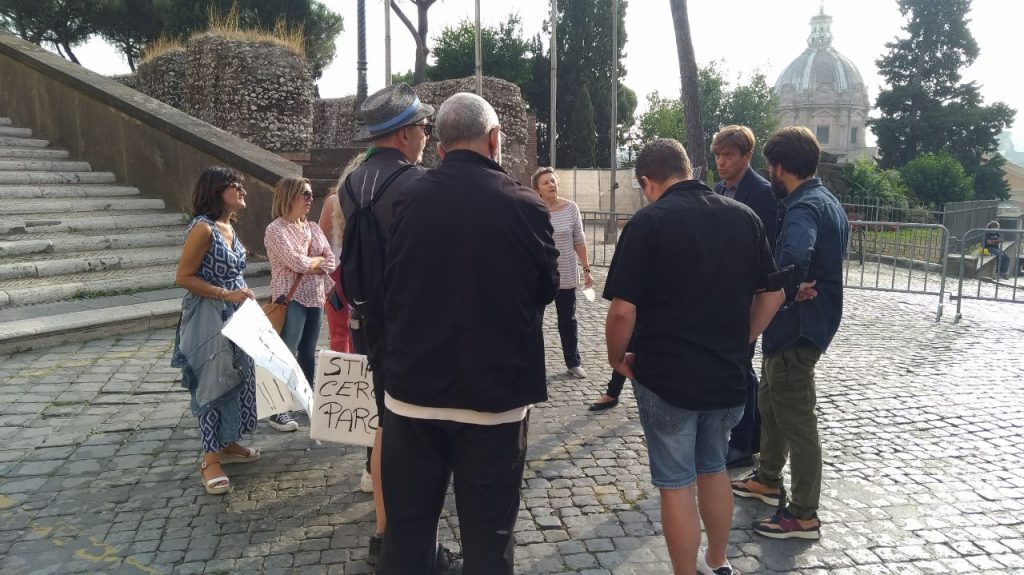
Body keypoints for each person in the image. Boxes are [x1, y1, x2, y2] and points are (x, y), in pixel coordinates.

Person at [378, 92, 559, 575]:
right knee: (489, 534)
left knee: (408, 532)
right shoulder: (526, 205)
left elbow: (389, 283)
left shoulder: (406, 199)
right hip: (494, 396)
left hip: (413, 391)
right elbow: (545, 288)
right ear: (495, 138)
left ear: (439, 148)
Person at [604, 138, 783, 575]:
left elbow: (622, 309)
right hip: (725, 374)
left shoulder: (649, 223)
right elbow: (773, 293)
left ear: (647, 181)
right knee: (714, 468)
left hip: (667, 377)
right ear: (689, 168)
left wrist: (615, 359)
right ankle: (718, 562)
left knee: (675, 483)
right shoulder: (744, 217)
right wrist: (741, 340)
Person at [731, 126, 849, 541]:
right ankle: (767, 478)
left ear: (780, 167)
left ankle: (802, 514)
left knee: (796, 416)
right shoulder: (824, 199)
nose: (769, 173)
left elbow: (796, 254)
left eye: (769, 166)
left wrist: (784, 289)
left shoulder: (804, 207)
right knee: (771, 399)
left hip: (798, 327)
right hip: (795, 327)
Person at [341, 82, 433, 568]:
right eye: (422, 126)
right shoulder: (418, 185)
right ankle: (410, 538)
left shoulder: (349, 183)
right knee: (418, 432)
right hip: (412, 326)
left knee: (383, 423)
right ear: (402, 134)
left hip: (366, 320)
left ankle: (382, 529)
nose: (425, 134)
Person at [172, 167, 261, 495]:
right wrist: (226, 294)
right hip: (210, 316)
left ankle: (227, 443)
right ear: (216, 189)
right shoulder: (203, 229)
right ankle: (210, 460)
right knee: (212, 381)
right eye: (236, 186)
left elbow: (235, 273)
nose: (243, 192)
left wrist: (245, 296)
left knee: (238, 376)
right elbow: (183, 277)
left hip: (237, 313)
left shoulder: (228, 227)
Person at [712, 125, 779, 469]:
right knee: (740, 366)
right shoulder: (717, 189)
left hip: (749, 295)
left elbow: (764, 249)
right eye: (718, 155)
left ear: (747, 156)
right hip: (723, 294)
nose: (722, 162)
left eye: (729, 155)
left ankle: (742, 442)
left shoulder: (763, 193)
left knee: (740, 366)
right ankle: (750, 435)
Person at [264, 177, 336, 431]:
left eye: (310, 195)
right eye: (304, 195)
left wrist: (313, 262)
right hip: (290, 298)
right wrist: (313, 261)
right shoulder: (276, 229)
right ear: (289, 196)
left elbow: (330, 261)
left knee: (307, 352)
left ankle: (307, 399)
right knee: (286, 352)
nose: (310, 199)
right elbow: (297, 263)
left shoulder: (312, 227)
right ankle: (277, 410)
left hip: (314, 296)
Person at [532, 166, 593, 379]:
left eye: (553, 181)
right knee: (534, 321)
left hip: (565, 272)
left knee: (568, 320)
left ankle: (573, 362)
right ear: (538, 190)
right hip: (540, 274)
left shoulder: (571, 208)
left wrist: (586, 268)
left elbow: (579, 239)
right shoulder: (534, 209)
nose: (551, 185)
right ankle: (532, 365)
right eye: (546, 182)